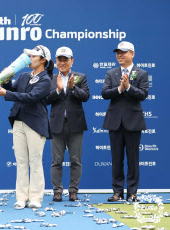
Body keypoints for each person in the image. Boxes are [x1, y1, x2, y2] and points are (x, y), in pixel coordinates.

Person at [0, 45, 54, 209]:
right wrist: (5, 80)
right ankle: (21, 197)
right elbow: (11, 89)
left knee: (35, 161)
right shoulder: (23, 76)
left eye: (33, 56)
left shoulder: (46, 80)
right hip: (18, 121)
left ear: (43, 60)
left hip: (36, 123)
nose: (29, 58)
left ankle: (35, 198)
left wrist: (6, 94)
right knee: (21, 161)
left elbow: (31, 97)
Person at [101, 41, 149, 202]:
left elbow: (143, 94)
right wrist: (120, 89)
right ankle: (117, 192)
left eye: (123, 52)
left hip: (133, 122)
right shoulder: (111, 73)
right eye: (117, 52)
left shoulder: (141, 73)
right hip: (114, 121)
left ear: (132, 54)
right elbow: (105, 93)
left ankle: (132, 192)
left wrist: (128, 87)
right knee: (116, 159)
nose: (119, 55)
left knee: (133, 159)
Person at [46, 47, 90, 202]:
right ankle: (57, 191)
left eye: (66, 59)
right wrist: (58, 90)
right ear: (56, 61)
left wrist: (73, 88)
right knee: (56, 160)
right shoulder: (50, 78)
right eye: (60, 59)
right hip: (57, 124)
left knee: (75, 160)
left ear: (72, 60)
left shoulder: (80, 76)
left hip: (76, 124)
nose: (62, 62)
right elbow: (45, 100)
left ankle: (73, 191)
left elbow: (86, 97)